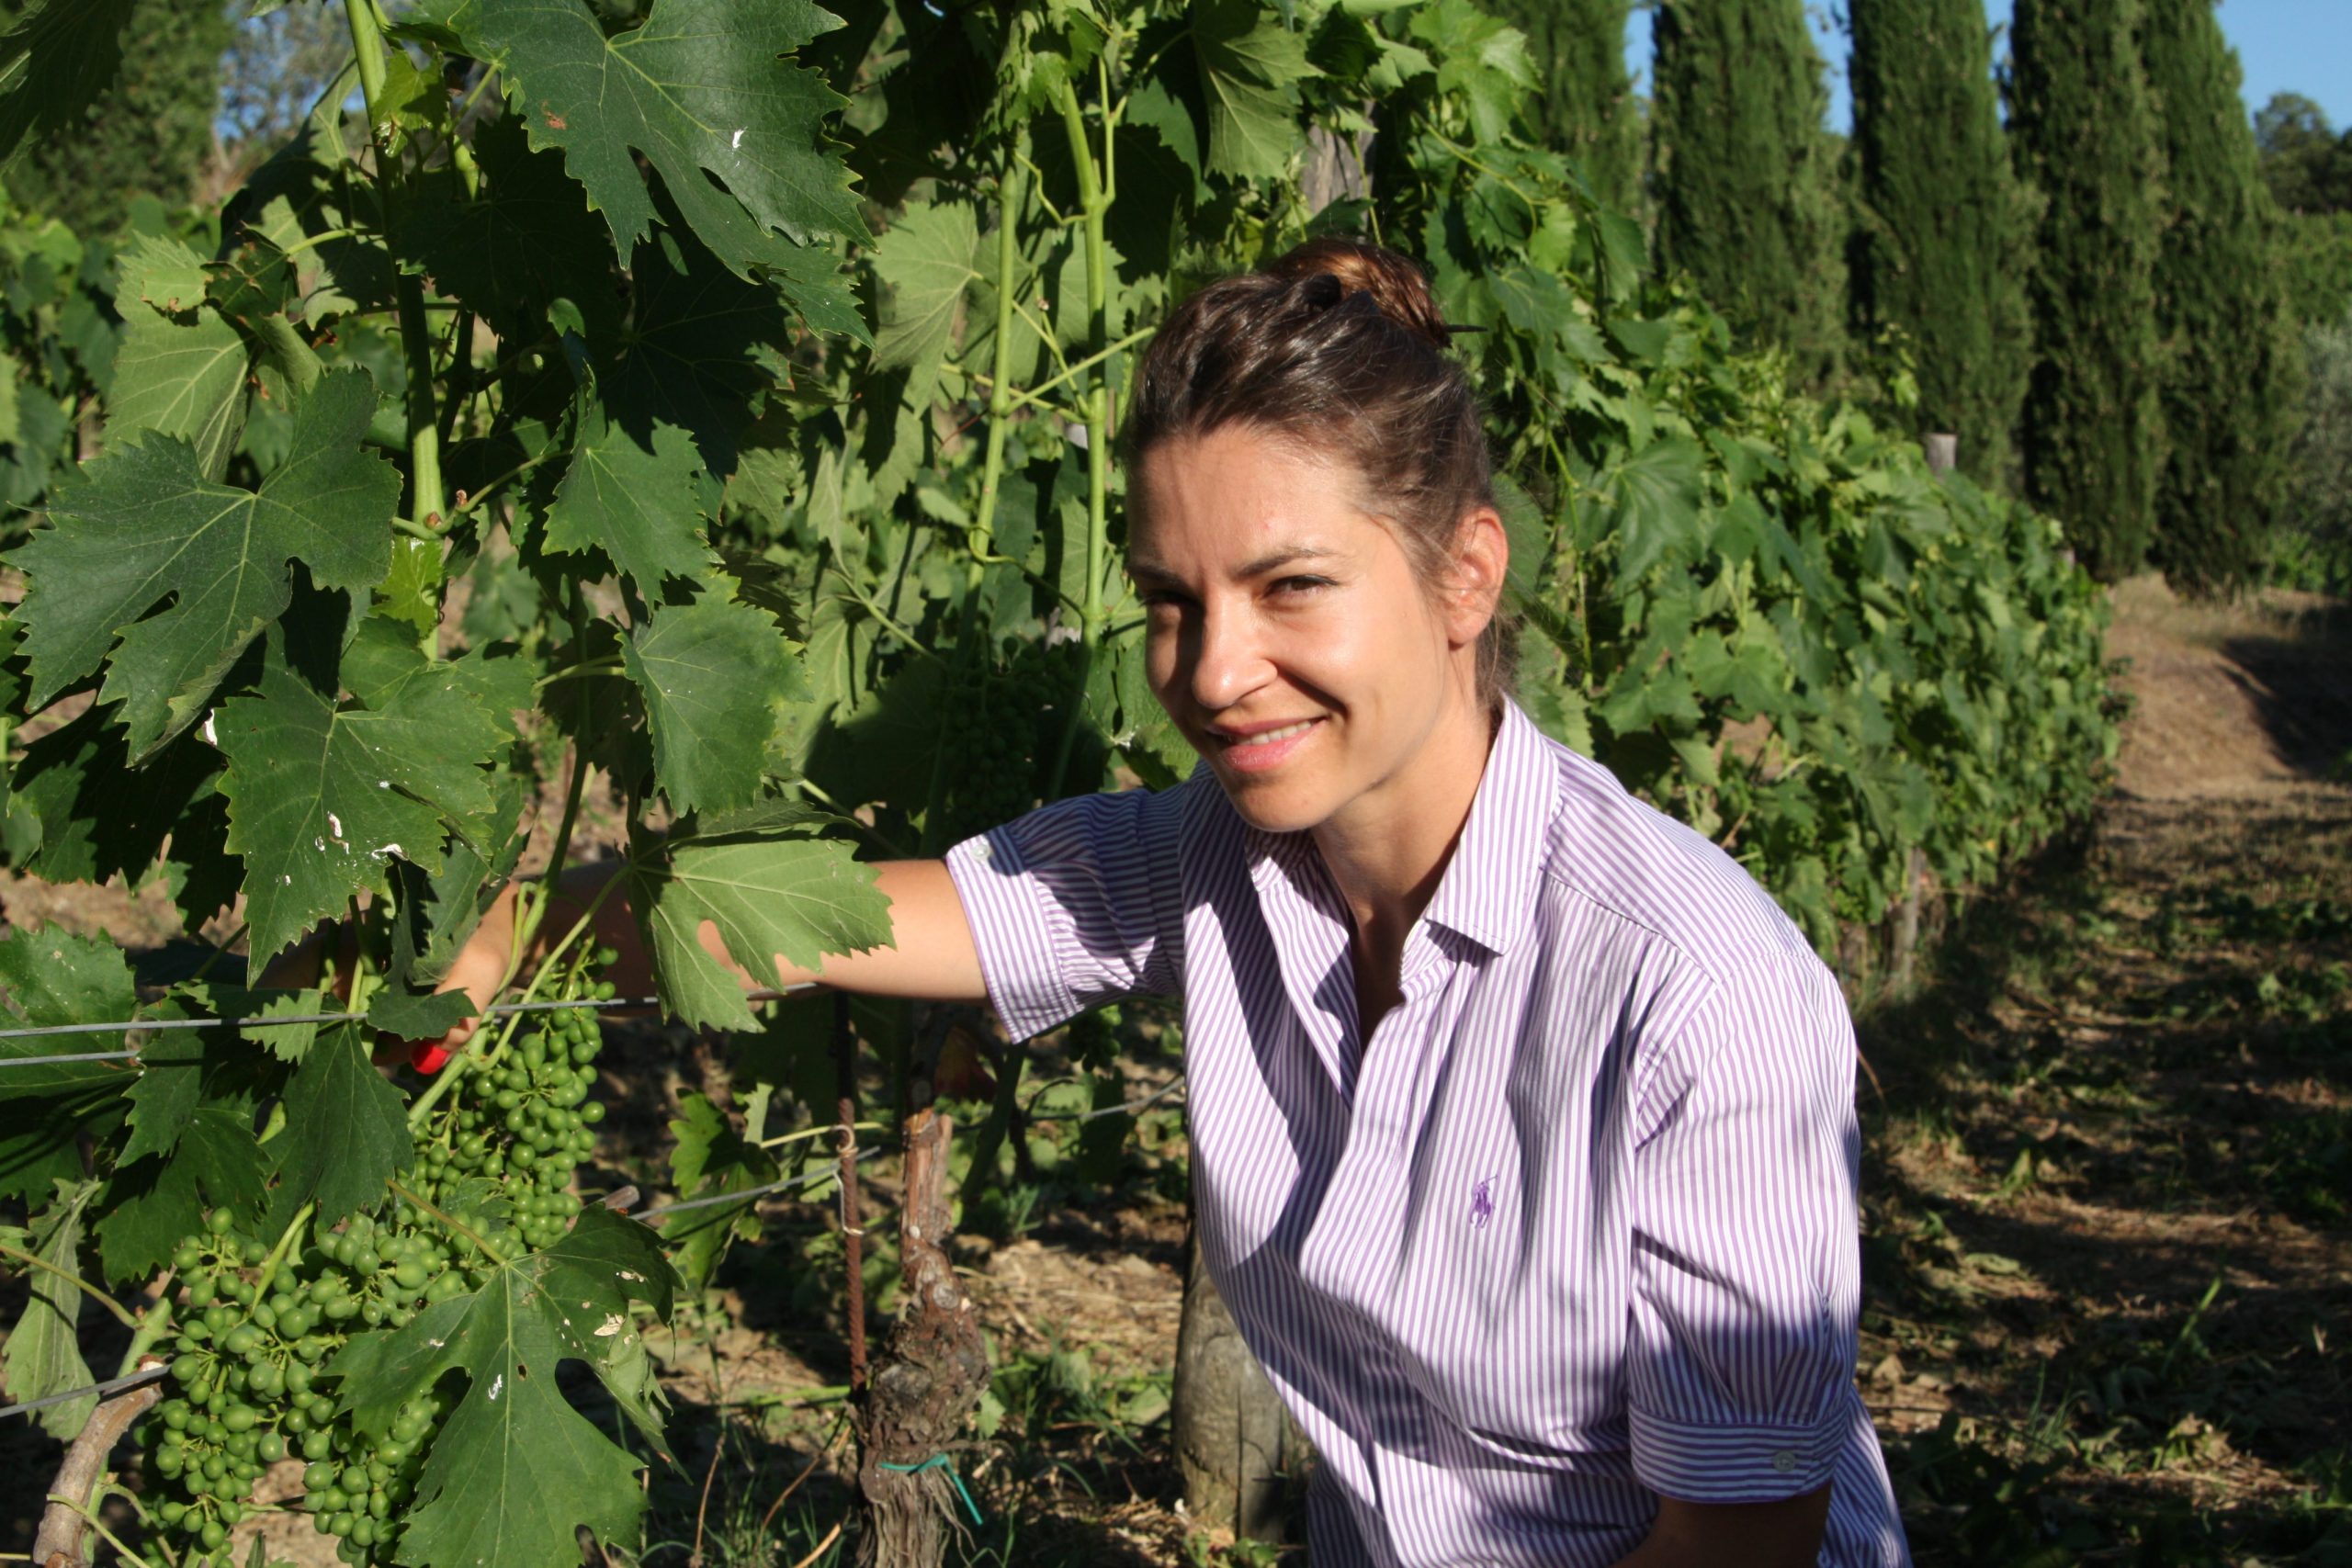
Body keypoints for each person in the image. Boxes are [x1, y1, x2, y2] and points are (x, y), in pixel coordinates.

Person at [435, 238, 1911, 1567]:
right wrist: (511, 934)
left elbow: (1738, 1551)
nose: (1211, 671)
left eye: (1289, 589)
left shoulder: (1695, 996)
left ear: (1465, 575)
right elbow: (821, 914)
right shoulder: (1213, 866)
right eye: (1172, 599)